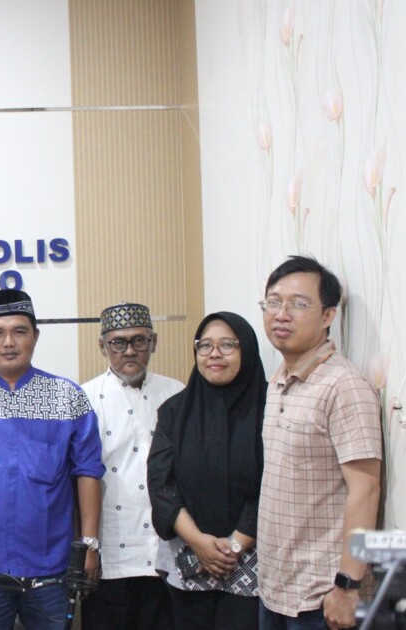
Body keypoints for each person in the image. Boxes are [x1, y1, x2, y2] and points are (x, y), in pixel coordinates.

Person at [0, 289, 104, 630]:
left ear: (36, 336)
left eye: (19, 331)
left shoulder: (67, 398)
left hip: (52, 568)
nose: (8, 342)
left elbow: (88, 472)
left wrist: (89, 544)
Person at [256, 256, 382, 630]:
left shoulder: (344, 386)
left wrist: (347, 587)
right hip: (275, 588)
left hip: (322, 596)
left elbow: (366, 490)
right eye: (273, 302)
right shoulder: (279, 379)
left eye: (298, 304)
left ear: (328, 316)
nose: (281, 314)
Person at [147, 312, 266, 629]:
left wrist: (233, 547)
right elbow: (161, 484)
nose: (214, 354)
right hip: (191, 558)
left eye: (227, 345)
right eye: (205, 345)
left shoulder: (270, 408)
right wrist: (200, 543)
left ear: (246, 350)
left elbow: (273, 484)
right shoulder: (174, 411)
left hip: (253, 560)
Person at [80, 302, 183, 630]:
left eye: (139, 340)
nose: (129, 351)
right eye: (118, 342)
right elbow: (80, 479)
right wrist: (88, 546)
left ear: (153, 342)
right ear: (103, 347)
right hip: (111, 552)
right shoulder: (85, 399)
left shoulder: (177, 394)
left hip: (168, 551)